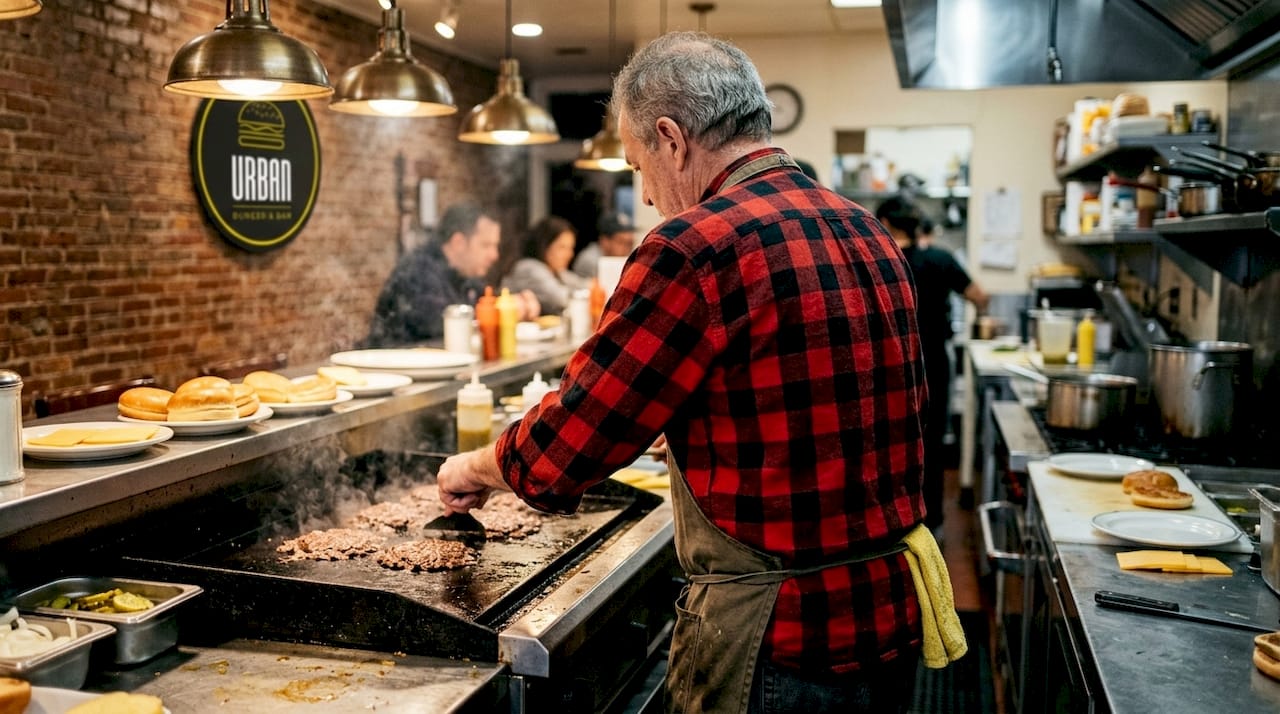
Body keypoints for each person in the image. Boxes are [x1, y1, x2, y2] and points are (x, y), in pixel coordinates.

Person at [439, 32, 950, 714]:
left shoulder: (694, 249)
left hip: (779, 643)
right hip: (888, 620)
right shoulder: (865, 229)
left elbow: (571, 446)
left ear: (672, 140)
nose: (646, 197)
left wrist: (473, 468)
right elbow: (811, 411)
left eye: (637, 166)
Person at [875, 195, 989, 534]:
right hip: (933, 361)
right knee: (932, 443)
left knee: (889, 443)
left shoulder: (880, 261)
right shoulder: (940, 259)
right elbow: (980, 297)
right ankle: (932, 522)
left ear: (888, 224)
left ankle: (894, 523)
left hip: (889, 364)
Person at [364, 202, 539, 348]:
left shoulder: (464, 275)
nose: (495, 255)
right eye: (486, 245)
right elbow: (441, 324)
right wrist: (501, 311)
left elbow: (487, 299)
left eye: (495, 246)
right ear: (458, 242)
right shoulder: (419, 271)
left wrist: (516, 302)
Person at [501, 215, 587, 316]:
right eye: (562, 247)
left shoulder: (557, 271)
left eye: (570, 248)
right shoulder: (529, 268)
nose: (569, 254)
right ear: (545, 246)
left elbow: (584, 285)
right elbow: (561, 299)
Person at [571, 211, 637, 280]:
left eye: (630, 243)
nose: (627, 248)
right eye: (621, 242)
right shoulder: (590, 260)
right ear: (604, 241)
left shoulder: (630, 257)